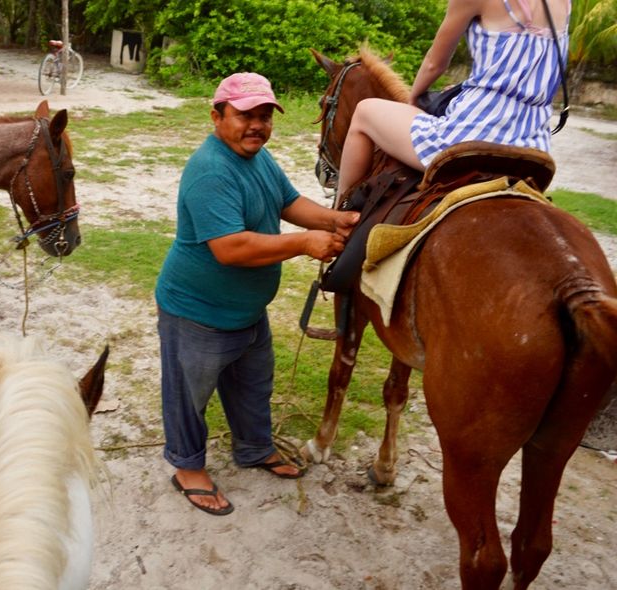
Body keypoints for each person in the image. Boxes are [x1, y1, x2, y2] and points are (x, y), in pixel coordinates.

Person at [155, 72, 359, 515]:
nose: (257, 125)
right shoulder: (210, 169)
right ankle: (187, 468)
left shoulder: (258, 158)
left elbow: (287, 201)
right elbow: (230, 247)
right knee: (189, 395)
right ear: (217, 116)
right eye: (245, 115)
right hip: (198, 312)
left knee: (252, 385)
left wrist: (331, 221)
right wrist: (305, 243)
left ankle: (253, 448)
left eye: (264, 116)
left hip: (247, 311)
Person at [335, 0, 571, 200]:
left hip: (472, 136)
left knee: (364, 112)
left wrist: (414, 96)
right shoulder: (563, 3)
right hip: (534, 147)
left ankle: (340, 214)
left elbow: (434, 64)